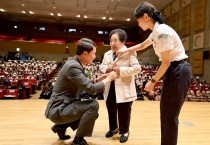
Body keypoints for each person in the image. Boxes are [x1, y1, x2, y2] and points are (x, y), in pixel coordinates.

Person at [118, 2, 191, 145]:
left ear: (146, 16)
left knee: (169, 117)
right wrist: (125, 50)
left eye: (138, 20)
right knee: (166, 115)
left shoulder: (162, 32)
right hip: (174, 71)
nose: (138, 24)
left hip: (178, 71)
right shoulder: (156, 32)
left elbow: (166, 63)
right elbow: (143, 45)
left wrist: (152, 82)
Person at [44, 38, 117, 145]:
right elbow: (91, 89)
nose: (95, 56)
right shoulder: (73, 66)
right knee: (93, 106)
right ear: (85, 53)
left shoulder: (74, 63)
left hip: (62, 106)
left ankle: (61, 127)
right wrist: (108, 79)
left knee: (93, 114)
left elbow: (83, 83)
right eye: (94, 53)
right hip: (58, 110)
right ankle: (78, 140)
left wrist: (98, 80)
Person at [100, 29, 141, 143]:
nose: (112, 43)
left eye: (115, 40)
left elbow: (137, 68)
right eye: (111, 40)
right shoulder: (107, 54)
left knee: (124, 110)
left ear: (123, 41)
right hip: (110, 86)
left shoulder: (129, 52)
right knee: (111, 109)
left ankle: (125, 131)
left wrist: (121, 70)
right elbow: (101, 66)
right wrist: (106, 68)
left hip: (124, 87)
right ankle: (113, 129)